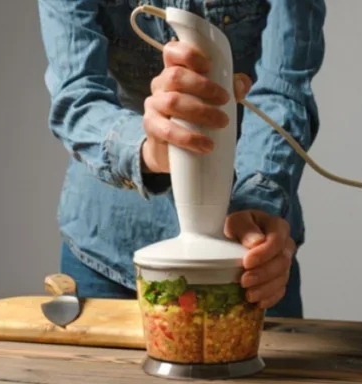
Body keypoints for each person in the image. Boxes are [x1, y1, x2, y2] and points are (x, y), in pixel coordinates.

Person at [36, 0, 325, 319]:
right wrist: (149, 147)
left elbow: (283, 89)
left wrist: (258, 196)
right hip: (105, 250)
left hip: (247, 250)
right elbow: (77, 97)